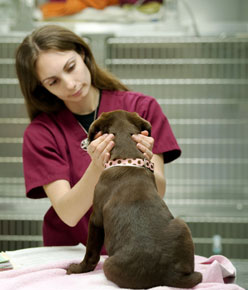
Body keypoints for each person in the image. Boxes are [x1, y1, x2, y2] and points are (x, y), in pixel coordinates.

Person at [15, 25, 181, 253]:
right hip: (71, 254)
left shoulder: (141, 109)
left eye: (71, 67)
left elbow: (158, 193)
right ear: (41, 88)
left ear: (83, 53)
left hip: (133, 247)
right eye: (53, 81)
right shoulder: (41, 133)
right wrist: (97, 166)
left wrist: (146, 161)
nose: (70, 84)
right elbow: (69, 213)